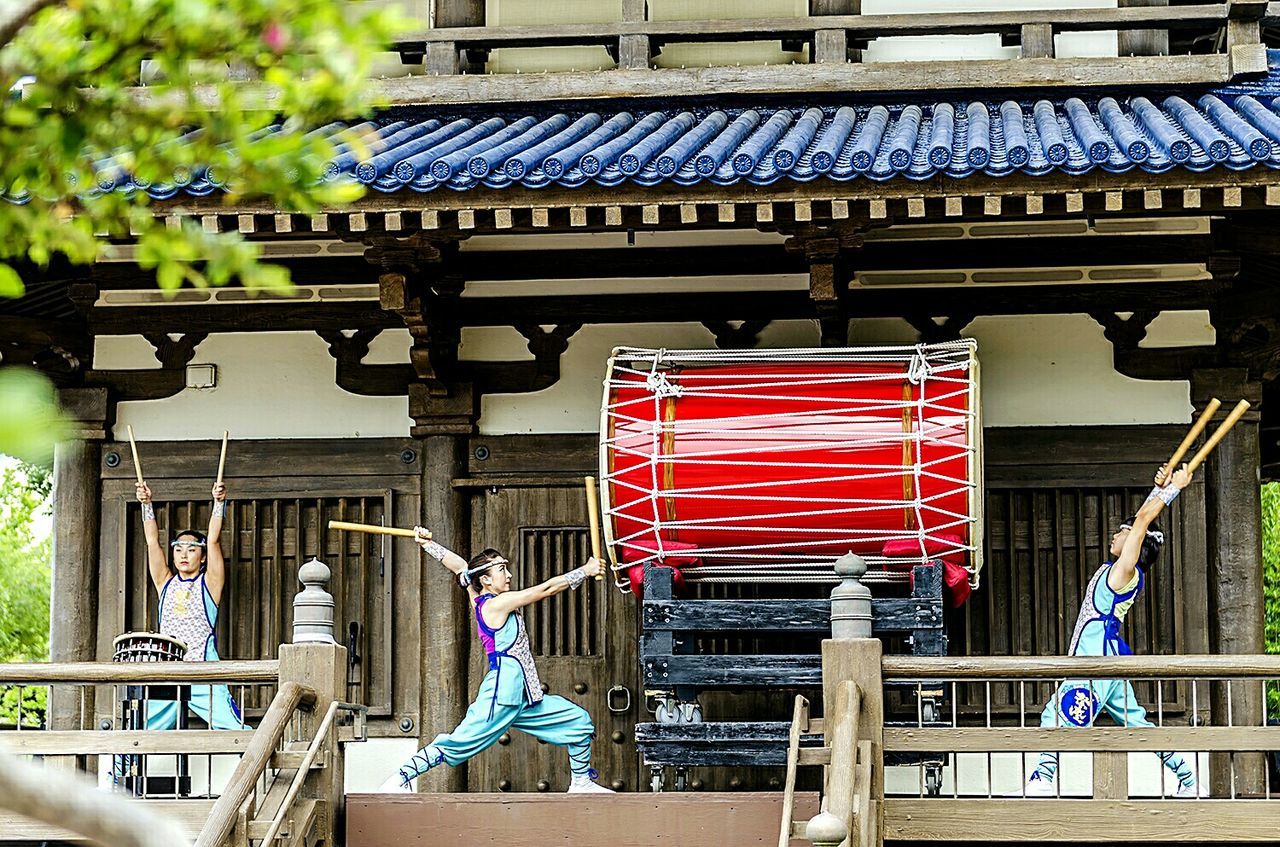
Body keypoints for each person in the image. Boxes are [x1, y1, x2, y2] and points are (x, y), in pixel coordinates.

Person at [379, 528, 613, 794]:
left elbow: (460, 566)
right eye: (502, 569)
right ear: (487, 580)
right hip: (502, 693)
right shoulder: (494, 605)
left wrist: (428, 544)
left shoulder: (478, 594)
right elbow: (546, 589)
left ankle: (581, 782)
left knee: (578, 721)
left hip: (523, 695)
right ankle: (399, 778)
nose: (509, 574)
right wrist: (585, 569)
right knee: (461, 741)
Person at [1024, 463, 1197, 798]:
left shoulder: (1124, 572)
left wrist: (1175, 488)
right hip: (1108, 662)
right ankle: (1188, 779)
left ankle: (1042, 779)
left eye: (1122, 532)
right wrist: (1160, 487)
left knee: (1056, 715)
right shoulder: (1121, 570)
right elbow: (1142, 520)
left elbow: (1142, 522)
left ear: (1135, 542)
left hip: (1098, 662)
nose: (1116, 534)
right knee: (1138, 725)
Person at [134, 478, 247, 731]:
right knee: (141, 731)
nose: (184, 555)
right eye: (179, 549)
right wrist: (146, 504)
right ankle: (120, 770)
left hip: (203, 668)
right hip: (167, 670)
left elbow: (215, 540)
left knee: (233, 727)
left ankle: (257, 769)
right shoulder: (165, 582)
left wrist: (219, 503)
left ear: (203, 556)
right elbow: (153, 542)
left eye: (192, 549)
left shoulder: (210, 583)